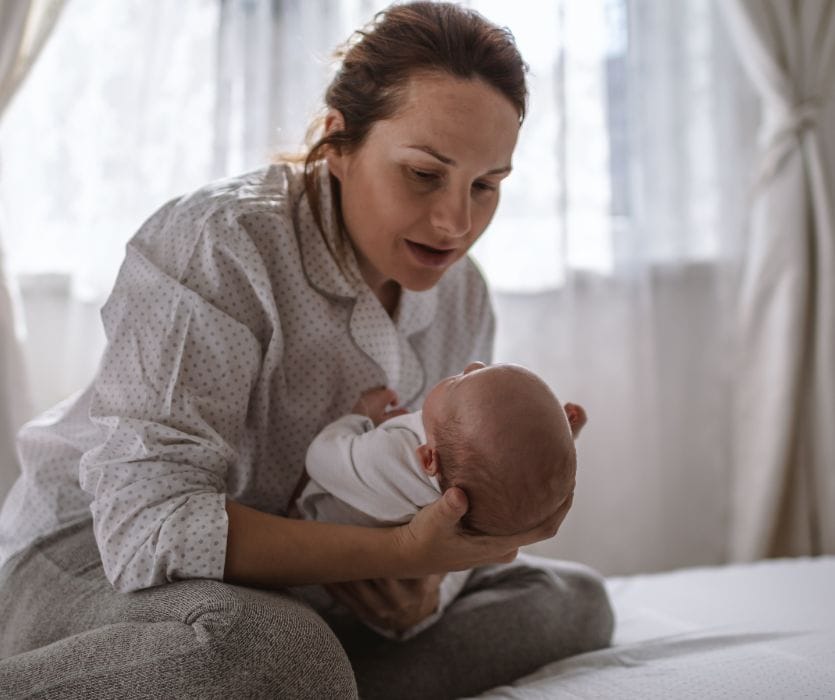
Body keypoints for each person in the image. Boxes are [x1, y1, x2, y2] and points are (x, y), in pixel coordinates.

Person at [0, 3, 613, 698]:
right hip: (93, 560)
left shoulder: (463, 295)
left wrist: (430, 586)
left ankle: (314, 684)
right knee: (275, 649)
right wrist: (392, 553)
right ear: (338, 143)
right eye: (422, 174)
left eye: (485, 185)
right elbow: (149, 528)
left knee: (572, 601)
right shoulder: (219, 244)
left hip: (306, 584)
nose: (456, 222)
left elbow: (434, 506)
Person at [296, 361, 588, 640]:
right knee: (579, 599)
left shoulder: (390, 457)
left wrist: (358, 419)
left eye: (457, 383)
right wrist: (547, 450)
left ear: (426, 458)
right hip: (389, 584)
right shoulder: (475, 489)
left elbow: (320, 458)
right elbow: (509, 472)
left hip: (346, 592)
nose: (474, 365)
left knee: (585, 596)